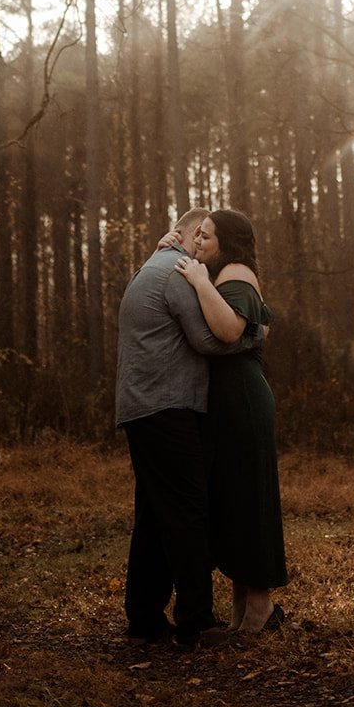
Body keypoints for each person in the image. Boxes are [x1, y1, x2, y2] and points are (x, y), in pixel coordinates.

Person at [114, 205, 263, 647]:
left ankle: (143, 620)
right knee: (187, 512)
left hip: (141, 407)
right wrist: (255, 333)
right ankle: (196, 622)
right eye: (200, 236)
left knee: (155, 518)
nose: (202, 247)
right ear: (191, 233)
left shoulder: (149, 268)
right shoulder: (176, 271)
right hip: (167, 407)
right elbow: (206, 337)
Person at [172, 208, 287, 635]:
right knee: (236, 502)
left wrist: (200, 281)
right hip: (229, 403)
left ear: (228, 242)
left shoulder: (235, 272)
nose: (199, 242)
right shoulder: (224, 270)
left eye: (207, 236)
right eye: (196, 235)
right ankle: (245, 611)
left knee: (249, 501)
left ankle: (259, 608)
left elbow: (228, 330)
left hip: (242, 402)